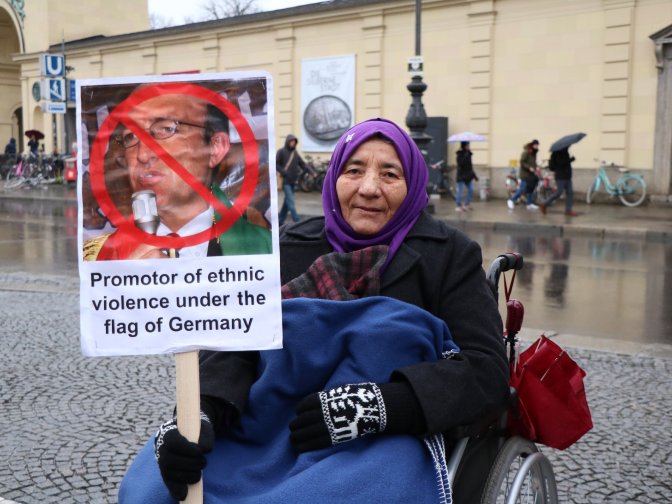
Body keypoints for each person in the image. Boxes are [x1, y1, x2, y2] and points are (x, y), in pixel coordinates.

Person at [120, 119, 509, 503]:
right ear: (334, 177)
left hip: (383, 437)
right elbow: (236, 344)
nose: (368, 188)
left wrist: (377, 406)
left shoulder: (449, 255)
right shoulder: (289, 244)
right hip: (268, 424)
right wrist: (201, 412)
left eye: (390, 174)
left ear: (413, 186)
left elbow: (486, 370)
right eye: (353, 171)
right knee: (155, 488)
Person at [83, 88, 271, 260]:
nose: (142, 155)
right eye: (130, 136)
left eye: (166, 129)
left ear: (215, 148)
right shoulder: (98, 257)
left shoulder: (267, 250)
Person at [276, 134, 313, 225]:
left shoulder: (295, 153)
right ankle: (298, 222)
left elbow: (302, 164)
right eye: (291, 141)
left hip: (293, 182)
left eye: (294, 142)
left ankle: (280, 221)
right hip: (285, 182)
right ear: (287, 141)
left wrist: (312, 172)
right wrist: (284, 172)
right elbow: (276, 164)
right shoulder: (281, 152)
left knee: (287, 203)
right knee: (291, 202)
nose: (293, 143)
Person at [540, 147, 578, 217]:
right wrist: (571, 159)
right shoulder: (556, 153)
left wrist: (569, 160)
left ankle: (568, 210)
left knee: (570, 193)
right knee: (558, 192)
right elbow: (561, 162)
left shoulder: (565, 152)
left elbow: (566, 163)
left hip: (567, 176)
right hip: (560, 176)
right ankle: (544, 204)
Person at [507, 140, 540, 210]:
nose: (536, 146)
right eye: (535, 145)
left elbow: (533, 162)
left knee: (530, 188)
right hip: (525, 174)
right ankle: (511, 200)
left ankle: (529, 204)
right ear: (532, 145)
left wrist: (536, 167)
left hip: (531, 174)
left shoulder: (534, 153)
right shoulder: (526, 152)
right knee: (522, 189)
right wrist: (529, 168)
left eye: (537, 145)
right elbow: (522, 162)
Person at [455, 141, 478, 212]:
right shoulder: (460, 154)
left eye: (468, 145)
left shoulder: (469, 154)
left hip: (468, 176)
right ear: (464, 146)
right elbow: (460, 164)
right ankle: (458, 206)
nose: (468, 147)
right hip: (461, 176)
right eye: (467, 145)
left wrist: (474, 175)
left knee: (471, 189)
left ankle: (467, 204)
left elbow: (470, 167)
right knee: (460, 191)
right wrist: (465, 156)